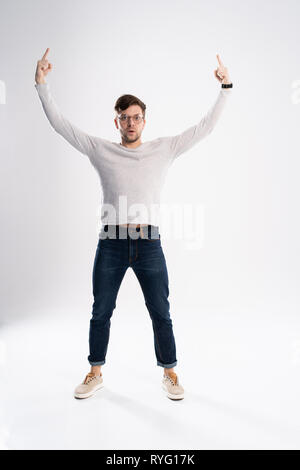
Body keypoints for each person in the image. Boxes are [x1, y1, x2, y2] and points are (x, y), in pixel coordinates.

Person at [35, 48, 233, 401]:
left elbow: (206, 127)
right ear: (116, 122)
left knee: (161, 310)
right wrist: (42, 84)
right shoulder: (99, 149)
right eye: (124, 117)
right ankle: (95, 371)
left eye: (136, 117)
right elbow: (61, 126)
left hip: (149, 244)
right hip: (110, 242)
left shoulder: (164, 148)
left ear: (145, 121)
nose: (130, 123)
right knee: (101, 310)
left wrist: (226, 86)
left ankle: (170, 373)